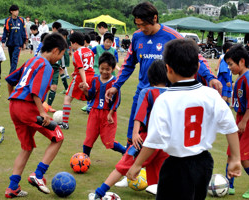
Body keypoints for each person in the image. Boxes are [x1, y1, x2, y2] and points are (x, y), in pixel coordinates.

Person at [126, 39, 242, 200]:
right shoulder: (211, 95)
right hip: (204, 163)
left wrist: (137, 164)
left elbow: (154, 139)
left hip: (176, 165)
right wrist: (235, 158)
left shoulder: (165, 100)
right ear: (197, 67)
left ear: (168, 69)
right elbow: (230, 128)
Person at [106, 2, 222, 160]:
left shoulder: (172, 37)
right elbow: (128, 64)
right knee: (134, 132)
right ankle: (129, 169)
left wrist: (210, 77)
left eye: (144, 25)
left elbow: (195, 58)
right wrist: (116, 86)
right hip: (142, 94)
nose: (142, 29)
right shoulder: (137, 37)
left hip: (167, 97)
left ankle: (159, 173)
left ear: (155, 18)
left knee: (164, 136)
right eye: (138, 25)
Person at [88, 59, 169, 200]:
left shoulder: (147, 92)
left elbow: (139, 115)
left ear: (150, 75)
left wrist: (135, 133)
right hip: (166, 142)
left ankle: (98, 194)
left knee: (121, 167)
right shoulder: (173, 93)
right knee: (161, 174)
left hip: (146, 140)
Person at [4, 33, 67, 198]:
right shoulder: (45, 65)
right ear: (55, 50)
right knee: (58, 137)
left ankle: (12, 187)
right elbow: (35, 92)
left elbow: (10, 80)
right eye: (61, 54)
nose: (60, 59)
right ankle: (38, 175)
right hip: (28, 107)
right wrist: (42, 113)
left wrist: (13, 98)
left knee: (27, 147)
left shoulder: (31, 60)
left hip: (15, 106)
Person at [80, 52, 125, 157]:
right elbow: (90, 96)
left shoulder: (115, 83)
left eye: (107, 69)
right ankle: (85, 159)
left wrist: (110, 113)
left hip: (108, 114)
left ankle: (125, 152)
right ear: (98, 67)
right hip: (94, 113)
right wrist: (85, 90)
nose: (104, 71)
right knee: (89, 138)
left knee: (108, 141)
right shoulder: (95, 80)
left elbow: (117, 101)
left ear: (113, 69)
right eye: (102, 68)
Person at [224, 44, 249, 198]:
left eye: (231, 64)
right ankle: (228, 186)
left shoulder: (248, 78)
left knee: (245, 158)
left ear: (241, 61)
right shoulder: (240, 78)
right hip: (240, 118)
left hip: (246, 120)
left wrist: (244, 121)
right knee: (231, 153)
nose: (229, 67)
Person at [59, 31, 95, 129]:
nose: (71, 46)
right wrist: (75, 73)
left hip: (81, 78)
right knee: (93, 100)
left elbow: (82, 68)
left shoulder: (77, 53)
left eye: (70, 43)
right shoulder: (90, 51)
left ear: (74, 43)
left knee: (67, 98)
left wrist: (84, 82)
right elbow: (88, 66)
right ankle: (96, 124)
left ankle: (65, 123)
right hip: (92, 76)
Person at [2, 5, 28, 74]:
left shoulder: (21, 20)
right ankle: (12, 73)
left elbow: (23, 31)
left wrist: (24, 42)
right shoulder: (8, 20)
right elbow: (5, 31)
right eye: (15, 11)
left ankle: (11, 75)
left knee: (14, 59)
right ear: (11, 12)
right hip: (10, 43)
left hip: (18, 43)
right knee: (11, 60)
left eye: (18, 11)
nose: (17, 12)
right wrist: (3, 41)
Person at [57, 28, 70, 94]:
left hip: (62, 59)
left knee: (60, 71)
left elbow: (64, 53)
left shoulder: (63, 41)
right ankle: (66, 88)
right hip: (61, 58)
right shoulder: (63, 41)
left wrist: (63, 64)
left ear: (64, 36)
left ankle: (66, 88)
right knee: (60, 72)